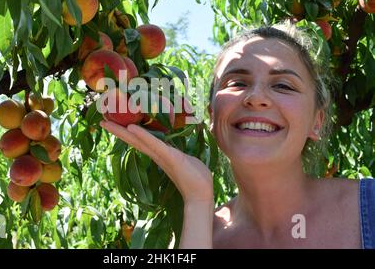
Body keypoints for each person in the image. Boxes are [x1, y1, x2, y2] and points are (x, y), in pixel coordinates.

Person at [99, 22, 375, 249]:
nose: (255, 98)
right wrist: (197, 201)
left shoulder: (368, 208)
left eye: (283, 85)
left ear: (317, 121)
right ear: (211, 115)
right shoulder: (196, 237)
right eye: (237, 83)